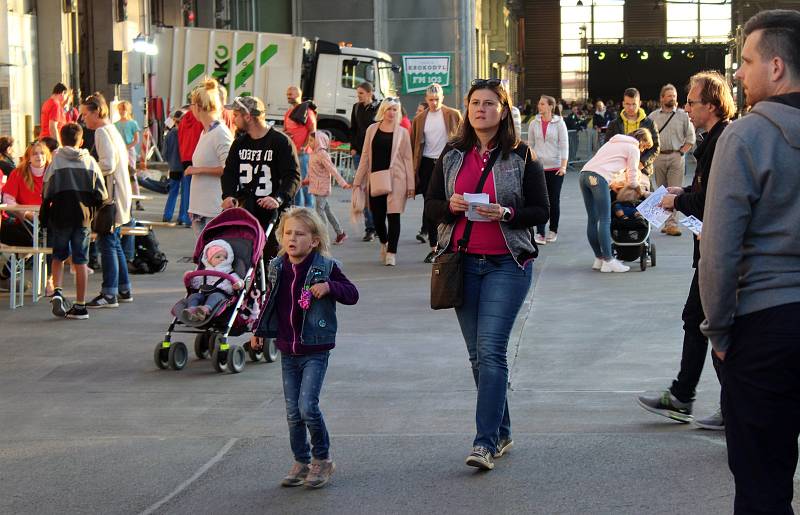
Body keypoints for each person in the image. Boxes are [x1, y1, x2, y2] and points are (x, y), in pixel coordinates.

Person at [698, 10, 800, 513]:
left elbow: (718, 250)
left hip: (766, 327)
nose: (738, 73)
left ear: (776, 67)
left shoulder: (745, 137)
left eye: (747, 61)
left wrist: (718, 333)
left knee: (763, 483)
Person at [424, 78, 549, 471]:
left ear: (504, 110)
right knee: (478, 356)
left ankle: (484, 441)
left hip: (507, 264)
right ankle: (503, 429)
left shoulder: (521, 155)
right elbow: (429, 205)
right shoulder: (451, 154)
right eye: (475, 103)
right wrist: (452, 206)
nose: (481, 109)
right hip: (463, 263)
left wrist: (507, 213)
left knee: (492, 351)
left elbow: (542, 210)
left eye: (490, 103)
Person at [637, 71, 735, 431]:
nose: (687, 107)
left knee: (712, 323)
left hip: (720, 249)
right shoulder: (716, 139)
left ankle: (730, 404)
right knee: (697, 320)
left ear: (710, 104)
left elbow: (714, 196)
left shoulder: (724, 139)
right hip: (709, 246)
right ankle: (683, 395)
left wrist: (678, 199)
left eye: (692, 101)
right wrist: (682, 195)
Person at [253, 207, 359, 489]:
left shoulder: (326, 266)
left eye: (300, 234)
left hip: (315, 348)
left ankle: (322, 459)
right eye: (288, 233)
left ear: (313, 240)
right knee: (292, 412)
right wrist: (259, 332)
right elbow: (270, 302)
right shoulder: (277, 266)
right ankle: (301, 461)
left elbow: (353, 294)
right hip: (287, 349)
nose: (292, 239)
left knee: (307, 407)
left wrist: (330, 287)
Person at [221, 95, 300, 259]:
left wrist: (278, 199)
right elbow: (229, 173)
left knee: (272, 259)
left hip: (273, 214)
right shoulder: (239, 143)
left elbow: (292, 176)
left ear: (248, 116)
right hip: (246, 210)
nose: (233, 119)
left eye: (236, 114)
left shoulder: (280, 142)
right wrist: (228, 195)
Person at [41, 123, 107, 320]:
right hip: (83, 218)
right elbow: (101, 194)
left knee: (58, 256)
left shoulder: (56, 161)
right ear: (81, 141)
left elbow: (46, 190)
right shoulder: (90, 162)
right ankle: (80, 305)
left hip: (60, 215)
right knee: (80, 261)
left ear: (61, 140)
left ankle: (58, 291)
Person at [80, 92, 134, 308]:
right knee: (114, 242)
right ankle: (123, 288)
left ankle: (109, 293)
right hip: (119, 195)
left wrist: (88, 167)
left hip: (109, 198)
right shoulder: (110, 128)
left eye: (85, 114)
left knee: (107, 242)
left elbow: (107, 164)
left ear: (96, 112)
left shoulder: (102, 132)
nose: (83, 119)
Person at [579, 128, 653, 273]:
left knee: (592, 220)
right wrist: (643, 193)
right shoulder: (633, 148)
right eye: (645, 146)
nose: (643, 150)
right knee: (605, 220)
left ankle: (598, 258)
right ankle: (609, 260)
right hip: (599, 178)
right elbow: (632, 179)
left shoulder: (613, 142)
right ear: (642, 141)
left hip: (584, 175)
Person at [352, 97, 415, 266]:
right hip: (376, 179)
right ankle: (384, 242)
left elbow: (408, 159)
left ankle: (391, 253)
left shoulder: (402, 132)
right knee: (378, 218)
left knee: (394, 217)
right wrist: (357, 181)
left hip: (397, 179)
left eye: (395, 109)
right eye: (389, 109)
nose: (392, 112)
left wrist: (411, 185)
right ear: (383, 111)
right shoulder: (372, 129)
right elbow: (365, 156)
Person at [410, 83, 463, 261]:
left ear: (442, 98)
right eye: (431, 100)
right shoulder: (419, 119)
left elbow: (464, 137)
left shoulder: (453, 115)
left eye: (437, 99)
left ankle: (449, 243)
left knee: (449, 202)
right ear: (426, 99)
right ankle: (434, 247)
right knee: (430, 205)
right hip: (426, 164)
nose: (434, 103)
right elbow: (414, 145)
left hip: (447, 163)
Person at [0, 141, 51, 290]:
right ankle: (6, 275)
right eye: (35, 153)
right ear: (28, 157)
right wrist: (26, 214)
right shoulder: (18, 172)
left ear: (47, 156)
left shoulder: (53, 172)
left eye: (42, 153)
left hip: (49, 221)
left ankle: (50, 281)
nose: (39, 156)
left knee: (53, 241)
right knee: (31, 241)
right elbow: (8, 199)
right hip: (23, 222)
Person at [187, 79, 233, 236]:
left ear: (199, 107)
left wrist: (198, 170)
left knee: (211, 255)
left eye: (192, 105)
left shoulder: (220, 133)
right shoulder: (206, 132)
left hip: (213, 209)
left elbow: (229, 168)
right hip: (201, 208)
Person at [648, 84, 696, 236]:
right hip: (659, 157)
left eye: (674, 96)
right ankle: (666, 221)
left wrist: (682, 152)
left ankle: (672, 224)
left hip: (676, 156)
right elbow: (646, 138)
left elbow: (691, 138)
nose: (672, 98)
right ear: (662, 98)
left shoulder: (683, 116)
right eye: (669, 95)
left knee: (674, 189)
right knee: (662, 191)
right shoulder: (653, 117)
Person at [527, 95, 568, 245]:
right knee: (539, 200)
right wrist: (530, 165)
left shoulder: (559, 123)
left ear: (551, 106)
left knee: (553, 200)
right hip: (538, 168)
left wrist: (563, 166)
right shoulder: (533, 123)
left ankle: (553, 229)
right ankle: (540, 233)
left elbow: (564, 146)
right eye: (539, 103)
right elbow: (530, 145)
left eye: (543, 104)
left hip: (556, 168)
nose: (539, 106)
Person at [305, 130, 351, 244]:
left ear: (319, 141)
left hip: (322, 188)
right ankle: (340, 233)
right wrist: (306, 180)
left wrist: (342, 183)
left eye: (312, 140)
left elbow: (332, 170)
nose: (309, 142)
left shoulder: (322, 154)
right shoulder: (314, 153)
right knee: (327, 210)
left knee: (319, 211)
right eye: (309, 140)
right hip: (316, 186)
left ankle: (323, 237)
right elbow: (311, 170)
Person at [183, 239, 243, 323]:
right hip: (203, 294)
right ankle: (192, 310)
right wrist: (190, 277)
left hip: (221, 296)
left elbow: (237, 280)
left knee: (215, 296)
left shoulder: (229, 271)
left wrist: (239, 284)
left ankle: (205, 309)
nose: (222, 259)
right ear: (209, 260)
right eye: (218, 257)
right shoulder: (205, 271)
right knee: (194, 296)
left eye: (225, 257)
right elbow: (195, 284)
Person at [605, 88, 660, 177]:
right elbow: (607, 146)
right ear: (623, 104)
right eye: (627, 104)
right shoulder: (614, 124)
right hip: (619, 172)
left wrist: (642, 163)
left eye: (634, 104)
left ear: (640, 103)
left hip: (642, 171)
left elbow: (656, 147)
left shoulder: (650, 123)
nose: (631, 108)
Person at [349, 82, 379, 241]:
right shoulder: (356, 107)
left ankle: (377, 224)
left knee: (374, 191)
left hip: (375, 156)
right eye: (358, 93)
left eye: (361, 93)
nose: (358, 96)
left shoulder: (379, 108)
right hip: (359, 154)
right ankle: (370, 227)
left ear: (369, 93)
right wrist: (353, 147)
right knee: (362, 190)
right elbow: (353, 129)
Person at [284, 85, 317, 208]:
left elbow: (312, 131)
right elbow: (286, 129)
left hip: (303, 155)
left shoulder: (307, 111)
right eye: (287, 94)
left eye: (290, 94)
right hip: (292, 153)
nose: (288, 96)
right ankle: (298, 212)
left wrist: (303, 147)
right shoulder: (288, 112)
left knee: (305, 186)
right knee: (295, 184)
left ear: (298, 95)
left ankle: (310, 213)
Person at [162, 110, 190, 226]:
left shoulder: (169, 134)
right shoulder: (187, 133)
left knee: (173, 192)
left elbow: (164, 153)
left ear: (174, 120)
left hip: (173, 166)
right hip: (185, 166)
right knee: (185, 192)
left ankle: (167, 215)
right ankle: (182, 216)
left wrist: (170, 161)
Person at [114, 101, 143, 211]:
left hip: (129, 150)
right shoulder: (115, 124)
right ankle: (124, 199)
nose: (122, 111)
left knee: (132, 175)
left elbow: (136, 140)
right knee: (120, 174)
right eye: (120, 109)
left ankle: (138, 201)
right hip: (119, 150)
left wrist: (126, 146)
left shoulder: (133, 123)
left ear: (128, 110)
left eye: (124, 109)